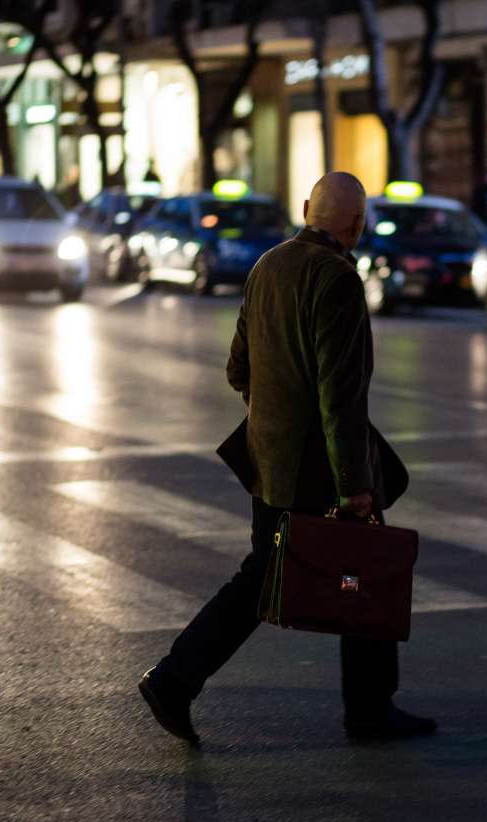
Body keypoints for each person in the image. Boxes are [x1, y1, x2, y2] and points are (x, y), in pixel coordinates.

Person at [139, 172, 436, 745]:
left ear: (305, 210)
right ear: (357, 224)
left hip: (267, 461)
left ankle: (176, 680)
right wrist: (353, 483)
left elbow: (237, 370)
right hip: (318, 467)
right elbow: (339, 393)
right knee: (366, 569)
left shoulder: (266, 266)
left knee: (264, 577)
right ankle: (369, 710)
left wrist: (272, 408)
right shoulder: (338, 279)